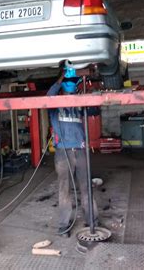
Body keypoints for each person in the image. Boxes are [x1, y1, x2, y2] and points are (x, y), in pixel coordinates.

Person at [47, 63, 99, 237]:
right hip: (63, 152)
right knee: (64, 188)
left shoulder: (79, 102)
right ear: (62, 88)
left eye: (72, 86)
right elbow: (48, 96)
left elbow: (94, 109)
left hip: (81, 149)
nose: (70, 89)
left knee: (86, 187)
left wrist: (88, 90)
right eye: (67, 86)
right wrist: (61, 78)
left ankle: (92, 221)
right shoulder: (55, 104)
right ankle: (64, 225)